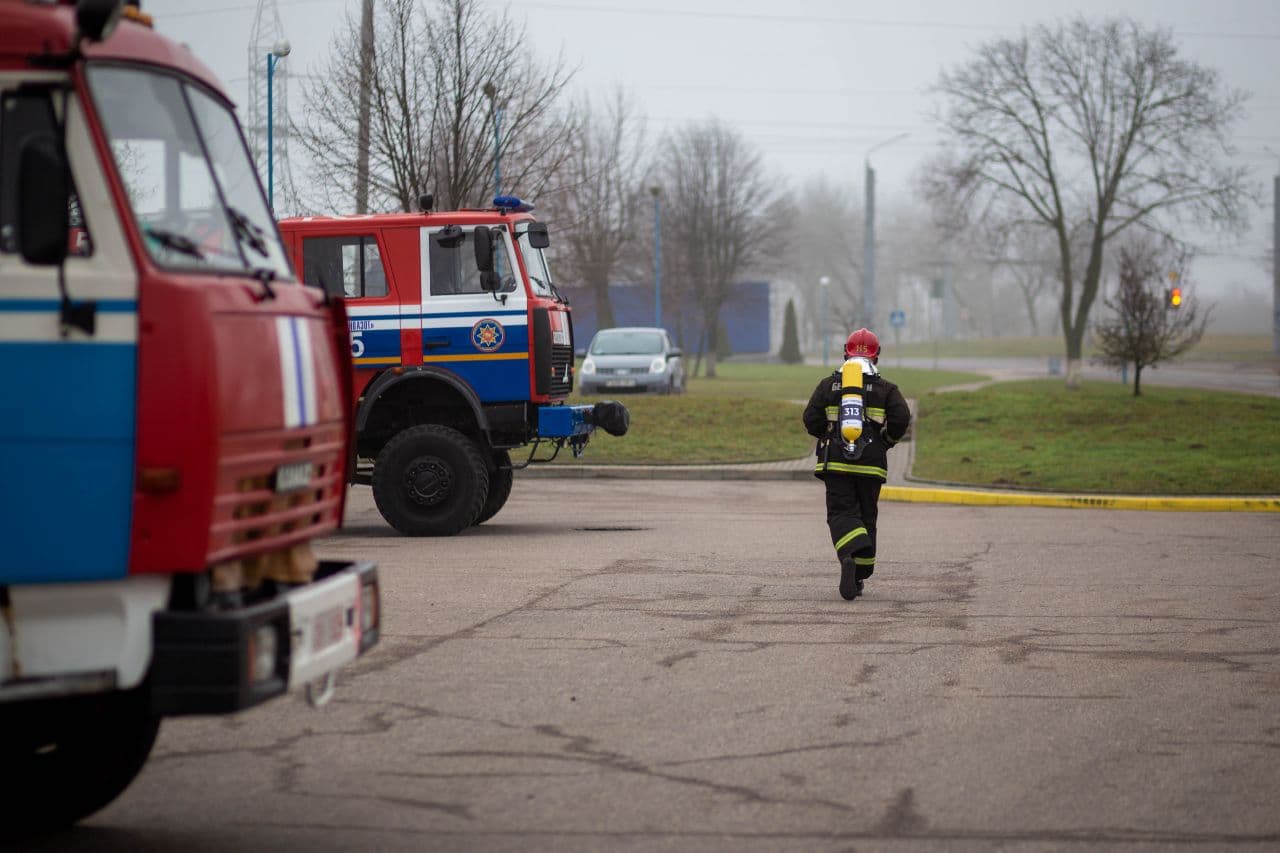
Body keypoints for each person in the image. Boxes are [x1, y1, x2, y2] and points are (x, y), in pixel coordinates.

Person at [802, 328, 911, 600]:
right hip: (871, 465)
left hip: (836, 463)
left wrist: (828, 436)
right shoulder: (887, 389)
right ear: (876, 357)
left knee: (841, 513)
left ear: (845, 353)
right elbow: (901, 418)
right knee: (867, 515)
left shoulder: (828, 385)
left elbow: (810, 419)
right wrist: (885, 441)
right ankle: (860, 575)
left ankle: (849, 555)